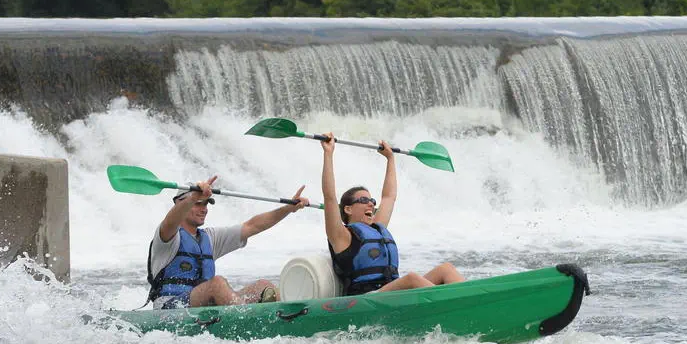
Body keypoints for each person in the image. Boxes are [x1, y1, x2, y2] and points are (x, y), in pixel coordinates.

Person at [321, 133, 464, 295]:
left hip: (390, 292)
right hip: (366, 299)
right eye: (363, 200)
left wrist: (390, 159)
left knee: (446, 269)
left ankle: (470, 301)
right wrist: (328, 153)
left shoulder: (377, 227)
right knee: (411, 278)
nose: (371, 204)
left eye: (372, 201)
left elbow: (389, 196)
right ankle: (455, 303)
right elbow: (330, 198)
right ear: (348, 209)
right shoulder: (341, 236)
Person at [147, 176, 309, 309]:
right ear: (179, 203)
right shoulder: (167, 236)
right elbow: (171, 220)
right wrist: (192, 197)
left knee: (264, 286)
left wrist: (289, 209)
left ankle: (281, 322)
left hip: (202, 308)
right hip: (169, 308)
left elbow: (253, 225)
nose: (204, 208)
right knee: (217, 284)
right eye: (198, 203)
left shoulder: (210, 238)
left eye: (206, 203)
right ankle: (248, 322)